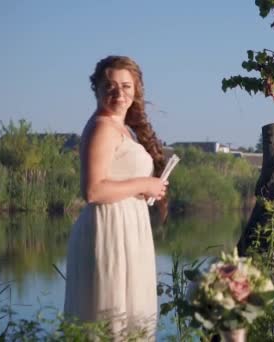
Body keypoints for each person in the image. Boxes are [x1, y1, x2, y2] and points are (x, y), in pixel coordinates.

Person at [64, 55, 168, 340]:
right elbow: (93, 190)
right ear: (96, 89)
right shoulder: (102, 126)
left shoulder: (125, 130)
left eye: (125, 86)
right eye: (110, 86)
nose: (118, 93)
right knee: (108, 321)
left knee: (130, 320)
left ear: (135, 90)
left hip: (128, 230)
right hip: (108, 231)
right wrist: (143, 183)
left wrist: (149, 188)